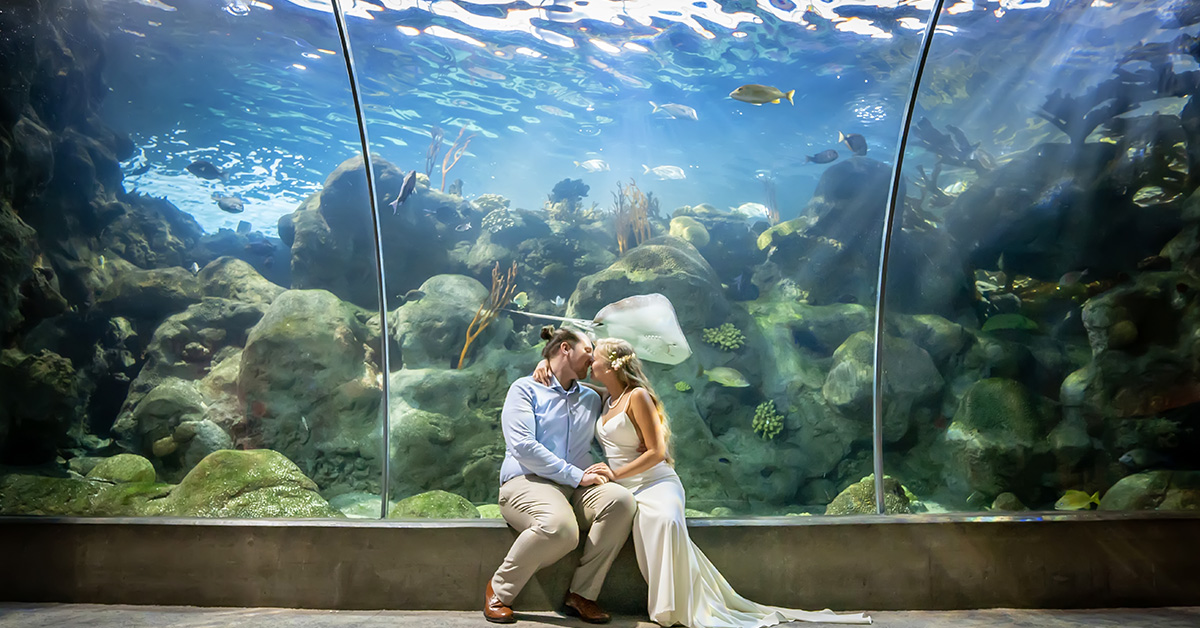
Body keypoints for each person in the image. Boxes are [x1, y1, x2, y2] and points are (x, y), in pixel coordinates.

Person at [536, 338, 871, 628]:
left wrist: (614, 474)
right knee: (635, 518)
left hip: (655, 481)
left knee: (663, 520)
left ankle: (673, 606)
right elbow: (569, 387)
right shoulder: (604, 398)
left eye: (593, 357)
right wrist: (545, 367)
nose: (588, 360)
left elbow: (656, 453)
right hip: (625, 486)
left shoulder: (638, 396)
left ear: (610, 365)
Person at [485, 326, 637, 625]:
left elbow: (627, 389)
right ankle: (500, 589)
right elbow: (524, 446)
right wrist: (575, 476)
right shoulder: (524, 389)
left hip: (577, 486)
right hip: (527, 482)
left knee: (621, 501)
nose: (592, 358)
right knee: (559, 528)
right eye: (587, 350)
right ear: (565, 349)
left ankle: (582, 594)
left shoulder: (591, 398)